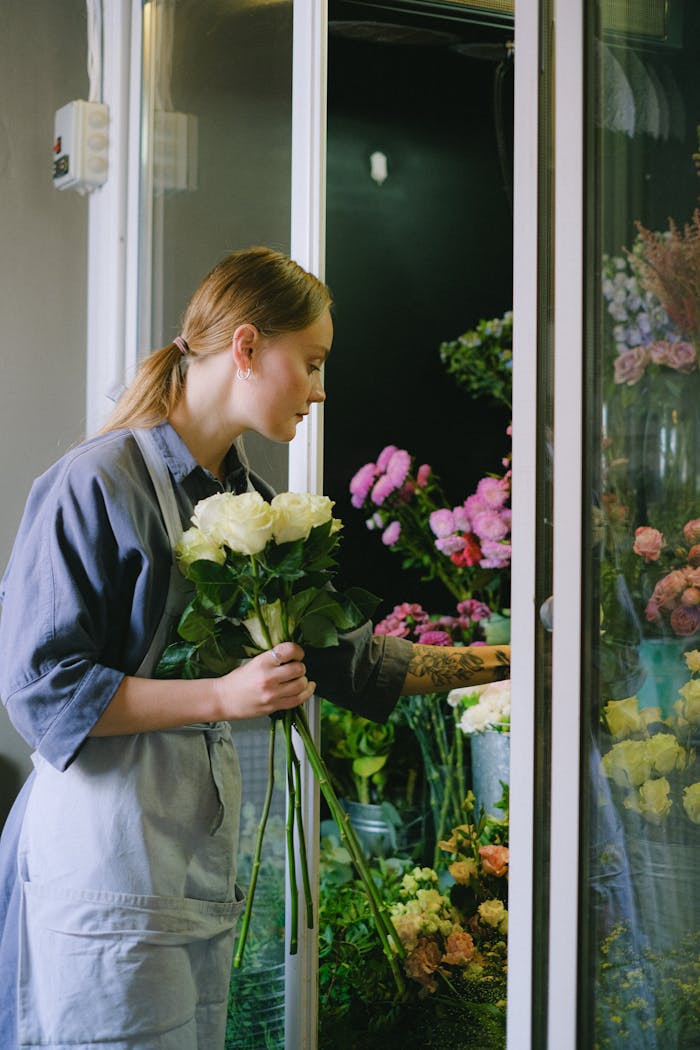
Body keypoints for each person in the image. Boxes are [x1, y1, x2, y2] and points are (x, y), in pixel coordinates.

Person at [0, 247, 509, 1049]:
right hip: (104, 870)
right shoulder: (94, 484)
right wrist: (223, 696)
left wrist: (518, 663)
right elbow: (43, 691)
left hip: (195, 879)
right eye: (309, 362)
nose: (319, 387)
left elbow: (356, 664)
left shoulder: (256, 508)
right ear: (245, 347)